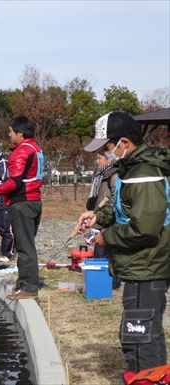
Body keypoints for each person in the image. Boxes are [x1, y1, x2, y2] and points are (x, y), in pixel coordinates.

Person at [77, 111, 169, 378]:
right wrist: (97, 217)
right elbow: (125, 210)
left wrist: (107, 237)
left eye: (108, 147)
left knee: (139, 333)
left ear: (124, 143)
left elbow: (145, 227)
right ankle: (152, 375)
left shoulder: (143, 172)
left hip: (146, 263)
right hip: (139, 263)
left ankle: (146, 378)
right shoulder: (131, 167)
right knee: (145, 327)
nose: (108, 153)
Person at [0, 116, 43, 300]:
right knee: (27, 245)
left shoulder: (22, 151)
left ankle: (28, 288)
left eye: (10, 132)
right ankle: (23, 284)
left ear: (20, 133)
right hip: (34, 202)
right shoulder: (36, 149)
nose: (9, 135)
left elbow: (15, 182)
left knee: (25, 247)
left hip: (22, 204)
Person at [85, 150, 121, 289]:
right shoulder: (100, 174)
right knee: (101, 250)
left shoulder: (114, 174)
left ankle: (108, 282)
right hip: (99, 216)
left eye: (99, 158)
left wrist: (103, 211)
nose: (97, 161)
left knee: (104, 250)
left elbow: (114, 197)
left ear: (109, 160)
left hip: (108, 217)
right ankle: (104, 281)